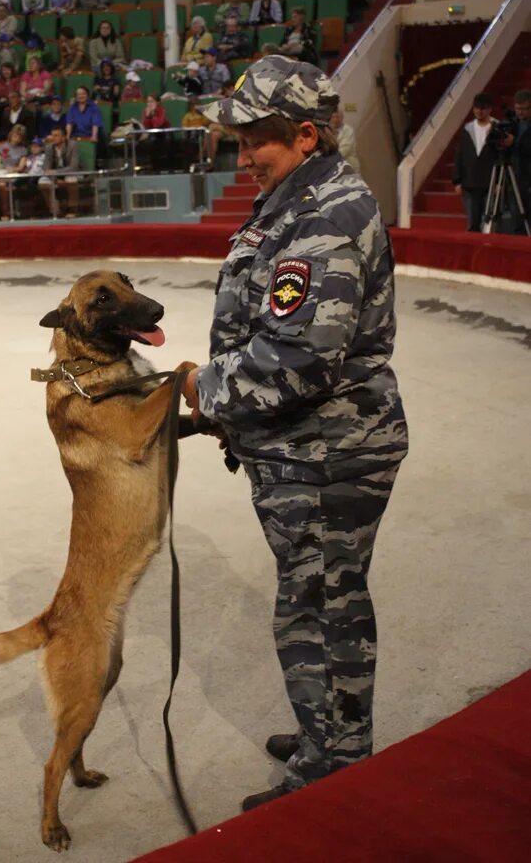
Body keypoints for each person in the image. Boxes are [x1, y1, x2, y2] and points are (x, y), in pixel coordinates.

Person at [181, 55, 408, 809]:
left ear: (306, 135)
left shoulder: (325, 215)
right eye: (239, 143)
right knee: (324, 598)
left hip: (328, 453)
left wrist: (203, 389)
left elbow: (298, 359)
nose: (243, 159)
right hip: (304, 447)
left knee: (317, 607)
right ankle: (331, 734)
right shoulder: (296, 197)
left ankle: (333, 772)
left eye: (257, 144)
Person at [452, 93, 498, 232]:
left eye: (483, 108)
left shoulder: (497, 127)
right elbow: (460, 154)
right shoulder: (468, 129)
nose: (479, 111)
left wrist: (499, 182)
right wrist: (457, 180)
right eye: (477, 108)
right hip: (470, 182)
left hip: (490, 182)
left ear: (490, 109)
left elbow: (501, 156)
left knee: (489, 223)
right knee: (473, 223)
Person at [501, 89, 531, 232]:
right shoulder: (512, 124)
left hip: (529, 178)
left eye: (523, 109)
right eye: (517, 108)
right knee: (516, 221)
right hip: (513, 177)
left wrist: (515, 143)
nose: (519, 112)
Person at [0, 124, 27, 219]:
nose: (16, 137)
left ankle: (5, 211)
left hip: (13, 172)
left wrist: (12, 169)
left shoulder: (23, 150)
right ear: (11, 135)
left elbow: (21, 167)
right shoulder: (2, 147)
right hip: (1, 170)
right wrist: (0, 166)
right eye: (15, 135)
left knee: (2, 184)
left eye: (19, 136)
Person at [40, 125, 81, 217]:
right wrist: (55, 178)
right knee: (42, 182)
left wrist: (56, 173)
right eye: (52, 135)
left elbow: (73, 167)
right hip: (55, 175)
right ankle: (55, 210)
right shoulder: (49, 147)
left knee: (71, 180)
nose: (53, 138)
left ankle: (72, 210)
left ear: (63, 137)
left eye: (56, 135)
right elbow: (46, 166)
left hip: (70, 172)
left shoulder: (72, 145)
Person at [329, 107, 360, 173]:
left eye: (338, 117)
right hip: (334, 167)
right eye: (333, 117)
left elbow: (345, 150)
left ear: (342, 118)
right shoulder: (328, 130)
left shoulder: (348, 130)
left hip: (349, 164)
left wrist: (328, 160)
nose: (335, 119)